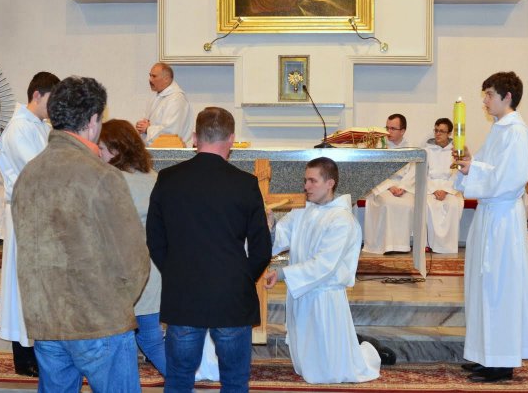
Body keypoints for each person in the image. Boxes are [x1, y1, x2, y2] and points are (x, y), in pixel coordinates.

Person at [12, 76, 149, 392]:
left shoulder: (28, 175)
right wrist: (115, 305)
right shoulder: (102, 176)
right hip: (99, 321)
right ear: (92, 120)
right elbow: (133, 260)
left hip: (47, 320)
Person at [146, 106, 272, 391]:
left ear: (194, 137)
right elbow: (262, 248)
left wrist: (175, 272)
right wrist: (241, 278)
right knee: (235, 380)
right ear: (231, 139)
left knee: (179, 378)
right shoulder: (245, 183)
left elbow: (155, 238)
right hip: (231, 296)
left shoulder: (169, 179)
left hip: (184, 294)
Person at [455, 72, 528, 383]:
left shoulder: (516, 132)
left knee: (500, 289)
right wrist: (469, 164)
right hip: (489, 215)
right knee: (483, 287)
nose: (485, 101)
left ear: (507, 97)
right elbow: (488, 169)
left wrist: (474, 169)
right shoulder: (499, 129)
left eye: (489, 95)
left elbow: (508, 179)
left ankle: (501, 362)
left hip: (503, 220)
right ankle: (486, 355)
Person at [264, 157, 380, 384]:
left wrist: (283, 273)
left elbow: (324, 265)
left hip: (324, 297)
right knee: (307, 366)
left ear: (330, 183)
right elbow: (280, 237)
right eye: (305, 181)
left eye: (312, 181)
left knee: (330, 371)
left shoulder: (342, 219)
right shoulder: (302, 210)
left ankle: (371, 351)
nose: (306, 186)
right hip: (301, 293)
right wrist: (270, 225)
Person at [0, 71, 60, 377]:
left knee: (35, 284)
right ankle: (23, 357)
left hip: (38, 212)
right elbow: (39, 170)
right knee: (22, 285)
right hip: (24, 212)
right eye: (52, 99)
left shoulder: (40, 126)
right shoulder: (19, 128)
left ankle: (35, 349)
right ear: (37, 95)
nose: (55, 107)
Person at [98, 118, 166, 376]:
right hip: (153, 269)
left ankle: (181, 384)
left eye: (102, 148)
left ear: (117, 150)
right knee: (149, 336)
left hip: (126, 270)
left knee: (139, 338)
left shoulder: (112, 180)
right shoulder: (154, 177)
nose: (99, 153)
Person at [362, 113, 415, 254]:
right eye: (387, 127)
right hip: (383, 187)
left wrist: (402, 187)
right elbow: (374, 171)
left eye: (393, 128)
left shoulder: (411, 148)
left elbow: (413, 172)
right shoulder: (380, 146)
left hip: (403, 187)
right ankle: (384, 245)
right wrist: (390, 186)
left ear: (402, 131)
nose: (388, 131)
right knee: (387, 203)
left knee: (408, 204)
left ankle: (401, 245)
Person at [424, 117, 463, 253]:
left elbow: (457, 173)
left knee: (453, 205)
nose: (438, 134)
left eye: (441, 131)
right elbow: (423, 173)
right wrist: (434, 189)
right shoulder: (427, 151)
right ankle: (429, 243)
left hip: (450, 189)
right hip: (430, 189)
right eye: (436, 130)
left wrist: (446, 190)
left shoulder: (456, 152)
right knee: (428, 205)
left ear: (449, 134)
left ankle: (447, 245)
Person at [135, 62, 195, 147]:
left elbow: (171, 131)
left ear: (166, 79)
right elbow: (148, 122)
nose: (150, 80)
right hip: (154, 150)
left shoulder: (176, 99)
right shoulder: (155, 97)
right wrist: (142, 126)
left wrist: (148, 129)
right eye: (150, 75)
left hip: (171, 152)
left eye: (154, 76)